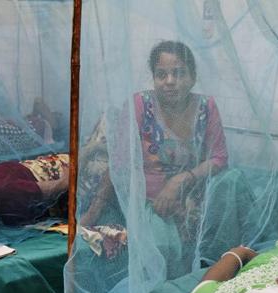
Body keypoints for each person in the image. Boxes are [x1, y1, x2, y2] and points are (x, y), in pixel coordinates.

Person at [81, 41, 259, 260]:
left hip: (192, 194)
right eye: (161, 74)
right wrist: (93, 211)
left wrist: (182, 180)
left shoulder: (206, 107)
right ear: (154, 78)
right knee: (161, 249)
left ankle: (229, 257)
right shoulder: (140, 104)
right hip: (151, 202)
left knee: (234, 179)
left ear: (193, 78)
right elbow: (120, 165)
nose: (170, 82)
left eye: (179, 73)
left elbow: (220, 157)